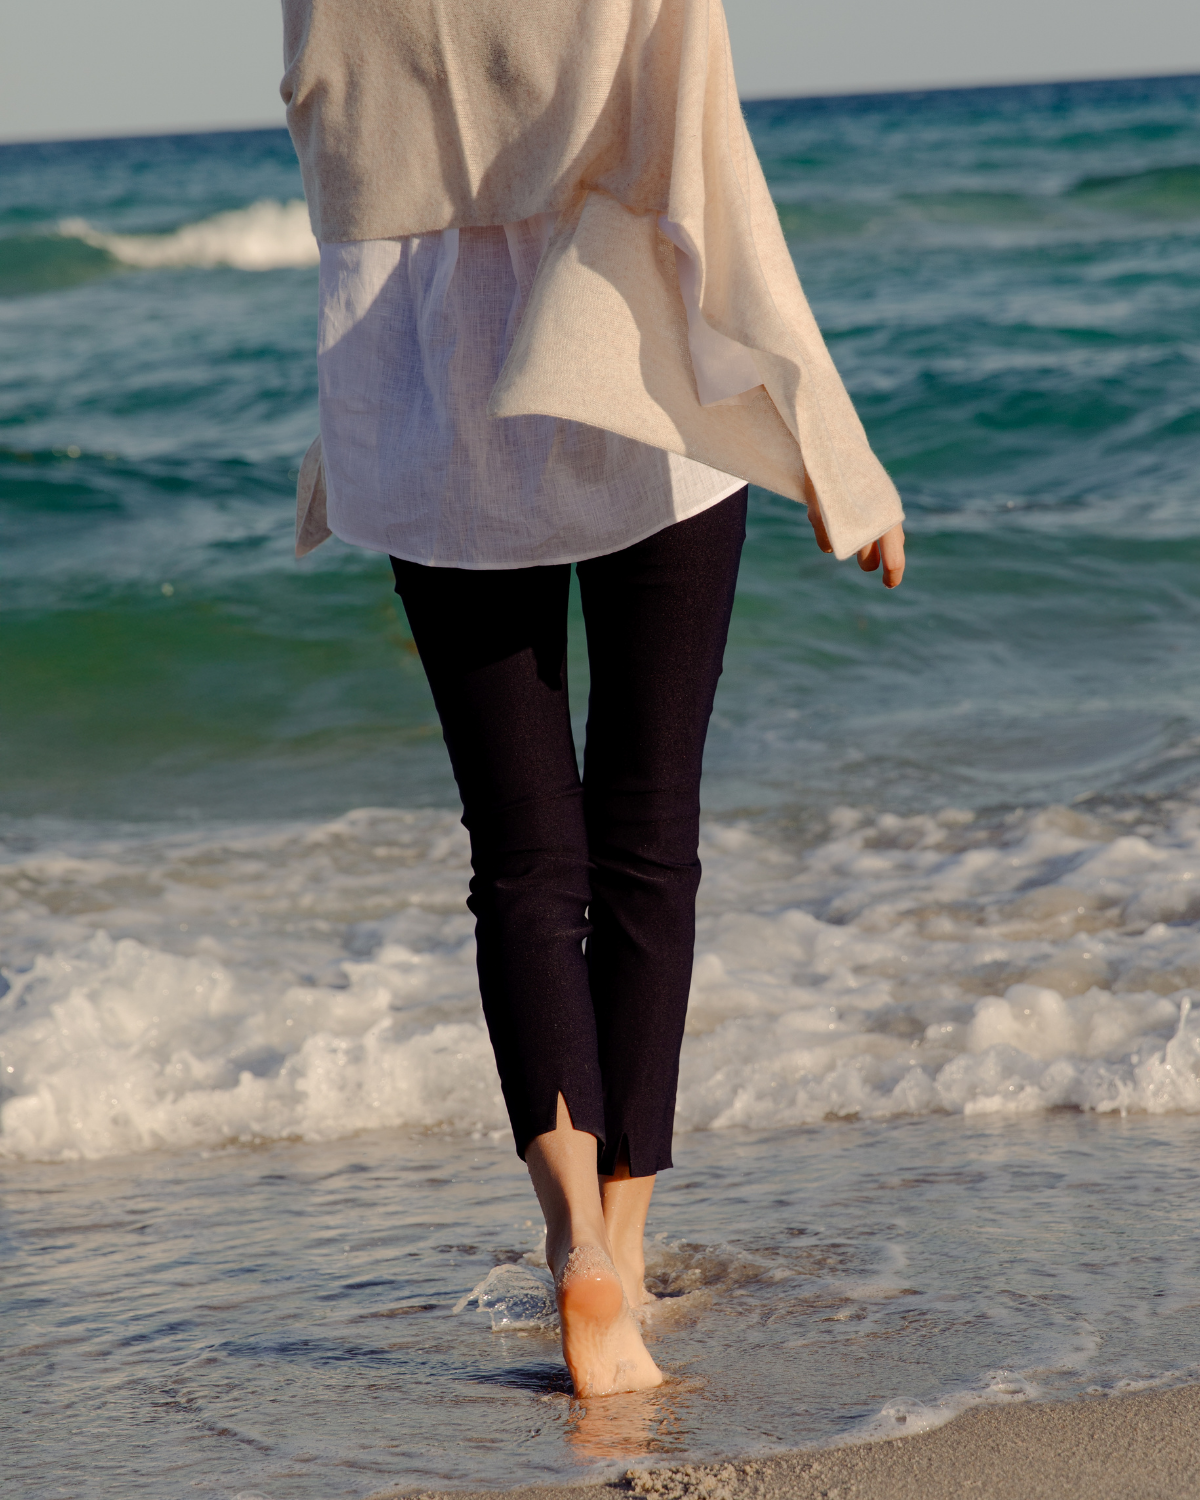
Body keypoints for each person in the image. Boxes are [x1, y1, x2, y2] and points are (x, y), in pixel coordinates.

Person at [281, 0, 905, 1397]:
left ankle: (573, 1247)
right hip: (638, 385)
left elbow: (332, 155)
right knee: (645, 840)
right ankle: (621, 1250)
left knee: (519, 857)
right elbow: (706, 172)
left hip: (431, 398)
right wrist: (834, 449)